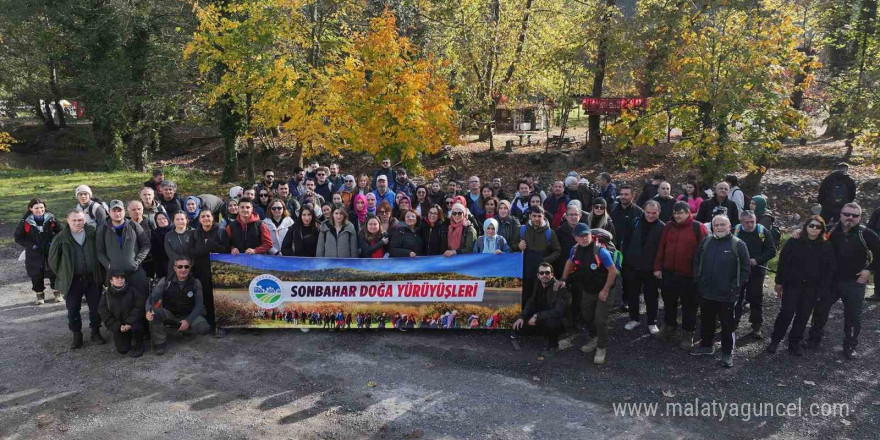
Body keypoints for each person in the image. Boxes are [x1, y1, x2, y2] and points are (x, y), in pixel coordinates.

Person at [806, 202, 880, 359]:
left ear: (860, 217)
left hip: (855, 282)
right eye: (847, 214)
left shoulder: (865, 233)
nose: (850, 218)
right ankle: (814, 338)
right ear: (840, 214)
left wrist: (869, 270)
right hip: (831, 280)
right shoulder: (830, 229)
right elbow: (810, 234)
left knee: (853, 316)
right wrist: (799, 232)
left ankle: (850, 345)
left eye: (854, 216)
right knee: (820, 309)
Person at [767, 216, 834, 355]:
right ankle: (775, 340)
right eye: (811, 225)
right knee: (786, 313)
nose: (814, 229)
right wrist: (779, 282)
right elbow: (783, 262)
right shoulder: (794, 241)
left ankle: (794, 342)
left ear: (822, 229)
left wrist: (823, 289)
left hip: (812, 288)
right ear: (806, 226)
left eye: (818, 227)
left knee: (803, 316)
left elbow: (829, 269)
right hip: (792, 285)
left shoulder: (826, 246)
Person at [691, 215, 750, 368]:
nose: (719, 227)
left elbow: (745, 269)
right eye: (716, 225)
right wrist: (699, 280)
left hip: (727, 295)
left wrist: (735, 287)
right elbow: (697, 261)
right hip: (706, 292)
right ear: (712, 227)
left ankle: (727, 353)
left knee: (727, 325)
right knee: (706, 321)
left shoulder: (738, 244)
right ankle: (706, 346)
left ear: (729, 226)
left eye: (722, 225)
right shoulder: (706, 241)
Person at [556, 223, 617, 364]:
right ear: (575, 237)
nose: (584, 238)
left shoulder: (600, 251)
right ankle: (594, 337)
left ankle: (601, 347)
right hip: (588, 290)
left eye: (586, 235)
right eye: (581, 236)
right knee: (586, 315)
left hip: (604, 289)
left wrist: (605, 290)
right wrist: (563, 279)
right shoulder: (575, 250)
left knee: (600, 319)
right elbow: (569, 262)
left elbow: (612, 271)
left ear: (590, 234)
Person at [653, 201, 708, 348]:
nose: (678, 216)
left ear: (688, 213)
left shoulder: (698, 227)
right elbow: (661, 248)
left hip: (689, 276)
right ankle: (669, 326)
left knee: (689, 306)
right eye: (676, 213)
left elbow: (705, 251)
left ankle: (688, 333)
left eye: (681, 213)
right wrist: (657, 267)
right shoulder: (668, 227)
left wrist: (701, 273)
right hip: (669, 273)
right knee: (669, 303)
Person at [49, 210, 106, 349]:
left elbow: (102, 251)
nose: (77, 222)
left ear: (84, 220)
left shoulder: (93, 233)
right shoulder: (61, 238)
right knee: (73, 308)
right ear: (68, 221)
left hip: (93, 278)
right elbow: (53, 261)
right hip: (73, 280)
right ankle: (76, 334)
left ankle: (95, 331)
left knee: (95, 307)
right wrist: (65, 273)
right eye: (74, 220)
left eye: (80, 220)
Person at [145, 256, 212, 355]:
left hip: (188, 314)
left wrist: (188, 321)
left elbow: (198, 306)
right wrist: (148, 310)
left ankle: (187, 331)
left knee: (204, 328)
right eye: (180, 267)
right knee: (155, 313)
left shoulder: (196, 283)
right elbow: (152, 299)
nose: (183, 269)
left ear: (190, 268)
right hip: (170, 313)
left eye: (186, 267)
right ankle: (159, 343)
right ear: (174, 268)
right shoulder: (165, 281)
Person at [622, 201, 665, 334]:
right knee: (632, 294)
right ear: (644, 211)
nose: (650, 215)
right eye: (648, 212)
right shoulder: (635, 222)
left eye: (654, 213)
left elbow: (663, 249)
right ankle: (634, 318)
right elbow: (626, 241)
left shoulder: (662, 227)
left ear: (659, 212)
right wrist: (626, 261)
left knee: (651, 296)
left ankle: (652, 322)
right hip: (633, 266)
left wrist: (659, 267)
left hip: (650, 268)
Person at [512, 262, 571, 360]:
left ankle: (553, 345)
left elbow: (558, 312)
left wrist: (536, 316)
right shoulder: (537, 283)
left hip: (556, 320)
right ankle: (543, 334)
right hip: (540, 317)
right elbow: (531, 301)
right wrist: (522, 317)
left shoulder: (560, 288)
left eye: (547, 273)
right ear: (538, 275)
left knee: (551, 323)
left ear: (552, 275)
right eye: (542, 273)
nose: (544, 275)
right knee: (518, 328)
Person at [733, 210, 777, 339]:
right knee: (737, 297)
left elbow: (771, 251)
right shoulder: (735, 231)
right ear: (741, 222)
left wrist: (756, 260)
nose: (750, 224)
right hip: (739, 270)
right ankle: (733, 323)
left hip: (757, 270)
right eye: (747, 222)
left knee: (756, 297)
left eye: (753, 221)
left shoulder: (762, 231)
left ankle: (756, 326)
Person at [188, 209, 229, 328]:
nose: (206, 218)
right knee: (207, 297)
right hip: (202, 272)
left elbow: (226, 250)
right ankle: (212, 322)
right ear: (199, 219)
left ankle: (223, 323)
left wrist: (212, 245)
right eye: (203, 217)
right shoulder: (195, 234)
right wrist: (208, 247)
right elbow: (192, 253)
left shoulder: (221, 231)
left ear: (213, 218)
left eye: (208, 216)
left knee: (220, 297)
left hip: (220, 271)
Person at [16, 198, 62, 304]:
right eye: (36, 208)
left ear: (45, 208)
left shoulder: (51, 219)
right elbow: (18, 237)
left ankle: (57, 294)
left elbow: (60, 231)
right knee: (36, 274)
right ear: (30, 208)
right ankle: (40, 296)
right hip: (34, 253)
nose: (39, 210)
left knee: (54, 271)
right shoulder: (26, 222)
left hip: (50, 251)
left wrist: (54, 242)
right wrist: (30, 246)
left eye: (41, 207)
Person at [97, 199, 151, 286]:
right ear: (109, 211)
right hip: (114, 276)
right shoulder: (103, 229)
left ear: (124, 211)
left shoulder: (134, 226)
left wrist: (137, 261)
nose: (117, 213)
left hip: (135, 273)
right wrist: (109, 265)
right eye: (114, 211)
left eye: (119, 210)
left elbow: (146, 245)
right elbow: (100, 251)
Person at [518, 206, 562, 305]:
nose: (537, 219)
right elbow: (512, 245)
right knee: (525, 295)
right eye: (534, 216)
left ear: (543, 216)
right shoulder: (522, 230)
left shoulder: (550, 233)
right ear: (530, 216)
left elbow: (557, 251)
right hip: (525, 271)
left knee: (540, 298)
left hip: (542, 273)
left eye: (539, 216)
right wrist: (518, 246)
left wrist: (545, 261)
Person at [98, 269, 147, 357]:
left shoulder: (133, 291)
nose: (120, 279)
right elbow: (104, 313)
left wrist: (129, 323)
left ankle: (139, 343)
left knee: (138, 326)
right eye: (117, 278)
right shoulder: (106, 295)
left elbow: (139, 307)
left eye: (122, 277)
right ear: (111, 280)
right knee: (123, 350)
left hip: (133, 323)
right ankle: (127, 339)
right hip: (119, 326)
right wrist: (117, 326)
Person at [149, 212, 172, 280]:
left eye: (164, 218)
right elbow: (154, 250)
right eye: (159, 219)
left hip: (173, 262)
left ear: (168, 218)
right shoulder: (155, 233)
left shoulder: (174, 231)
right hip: (160, 265)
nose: (162, 221)